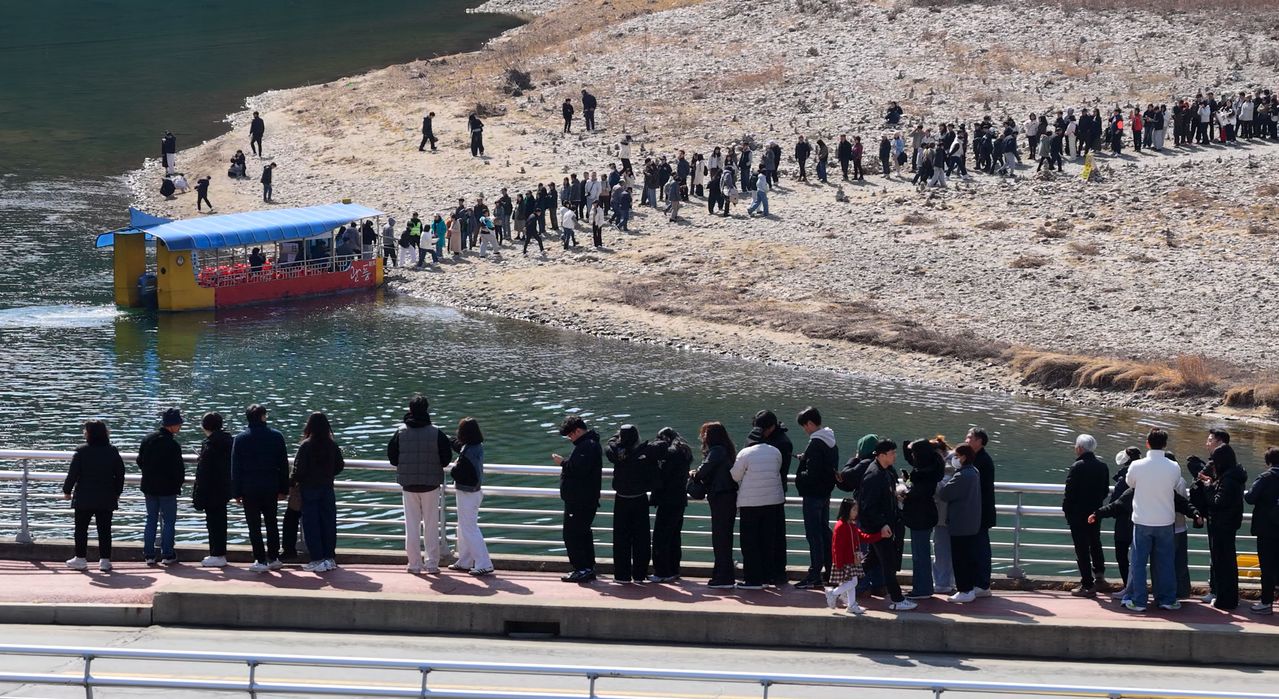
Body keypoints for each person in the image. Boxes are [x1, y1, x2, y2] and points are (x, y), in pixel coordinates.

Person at [387, 394, 452, 574]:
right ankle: (432, 564)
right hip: (431, 485)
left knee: (411, 525)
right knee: (431, 525)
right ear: (426, 410)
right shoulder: (436, 432)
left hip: (408, 485)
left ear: (410, 410)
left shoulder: (400, 432)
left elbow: (392, 458)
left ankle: (414, 564)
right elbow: (446, 459)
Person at [1122, 428, 1182, 612]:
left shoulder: (1137, 465)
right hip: (1165, 521)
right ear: (1165, 444)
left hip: (1142, 520)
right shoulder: (1174, 466)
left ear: (1147, 443)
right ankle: (1167, 599)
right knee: (1165, 562)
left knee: (1139, 562)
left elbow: (1129, 483)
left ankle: (1139, 601)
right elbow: (1174, 484)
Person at [1189, 428, 1246, 610]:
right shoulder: (1234, 474)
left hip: (1222, 524)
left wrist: (1208, 486)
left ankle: (1225, 599)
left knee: (1224, 564)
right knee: (1225, 563)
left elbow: (1217, 501)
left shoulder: (1228, 479)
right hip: (1226, 523)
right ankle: (1223, 596)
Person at [231, 404, 289, 573]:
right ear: (263, 417)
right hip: (271, 486)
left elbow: (235, 468)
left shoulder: (240, 438)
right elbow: (283, 466)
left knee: (254, 525)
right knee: (272, 522)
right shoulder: (276, 436)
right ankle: (274, 557)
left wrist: (236, 492)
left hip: (249, 488)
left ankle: (260, 559)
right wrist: (283, 489)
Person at [857, 439, 915, 610]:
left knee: (871, 561)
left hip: (885, 526)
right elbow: (868, 506)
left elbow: (883, 499)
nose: (895, 456)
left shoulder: (886, 471)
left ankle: (842, 588)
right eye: (892, 453)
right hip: (878, 528)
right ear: (882, 455)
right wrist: (882, 524)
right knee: (888, 563)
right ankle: (897, 600)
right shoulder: (874, 475)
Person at [62, 420, 125, 572]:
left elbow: (73, 474)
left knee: (81, 529)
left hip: (84, 496)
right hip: (106, 496)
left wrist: (67, 490)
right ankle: (104, 560)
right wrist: (117, 492)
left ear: (89, 434)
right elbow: (120, 474)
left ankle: (80, 559)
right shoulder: (112, 451)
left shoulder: (81, 452)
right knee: (104, 529)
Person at [731, 420, 784, 590]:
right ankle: (767, 577)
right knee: (767, 541)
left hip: (751, 504)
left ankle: (753, 580)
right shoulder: (775, 451)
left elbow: (735, 476)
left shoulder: (745, 453)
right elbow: (778, 469)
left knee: (750, 543)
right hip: (772, 502)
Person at [291, 412, 344, 573]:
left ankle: (317, 559)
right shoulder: (331, 444)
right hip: (327, 488)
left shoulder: (306, 445)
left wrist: (292, 482)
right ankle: (329, 558)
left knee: (311, 524)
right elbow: (339, 466)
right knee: (328, 522)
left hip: (309, 489)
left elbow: (298, 470)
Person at [553, 415, 602, 583]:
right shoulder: (589, 444)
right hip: (584, 499)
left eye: (570, 434)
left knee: (572, 534)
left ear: (578, 431)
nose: (570, 438)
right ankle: (587, 567)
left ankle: (581, 568)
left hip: (580, 500)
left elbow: (579, 470)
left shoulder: (586, 446)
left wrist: (562, 463)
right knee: (583, 533)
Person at [606, 425, 657, 583]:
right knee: (641, 539)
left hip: (621, 499)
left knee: (621, 539)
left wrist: (618, 437)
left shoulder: (616, 453)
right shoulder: (645, 452)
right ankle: (640, 574)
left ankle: (622, 575)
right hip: (640, 498)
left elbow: (610, 443)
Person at [793, 407, 837, 590]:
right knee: (824, 533)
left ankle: (814, 575)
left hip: (813, 496)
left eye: (805, 426)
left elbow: (811, 473)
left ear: (810, 423)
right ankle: (829, 572)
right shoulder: (831, 441)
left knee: (813, 535)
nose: (805, 430)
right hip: (826, 494)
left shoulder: (815, 442)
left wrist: (803, 466)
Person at [1062, 434, 1110, 596]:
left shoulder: (1077, 467)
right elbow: (1104, 491)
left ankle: (1087, 585)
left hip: (1077, 514)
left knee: (1081, 549)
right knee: (1095, 543)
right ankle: (1100, 578)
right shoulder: (1102, 466)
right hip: (1095, 513)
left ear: (1080, 448)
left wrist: (1067, 511)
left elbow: (1069, 493)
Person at [137, 408, 185, 565]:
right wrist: (178, 484)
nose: (180, 426)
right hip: (168, 489)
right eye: (179, 424)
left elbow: (140, 461)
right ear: (171, 425)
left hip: (149, 487)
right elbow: (179, 470)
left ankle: (149, 555)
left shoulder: (148, 439)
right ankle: (168, 554)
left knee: (151, 519)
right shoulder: (172, 444)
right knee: (169, 521)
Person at [448, 417, 493, 576]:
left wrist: (453, 466)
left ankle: (484, 563)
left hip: (468, 493)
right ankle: (465, 560)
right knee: (464, 527)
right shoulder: (475, 446)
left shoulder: (468, 451)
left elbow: (458, 472)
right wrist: (448, 440)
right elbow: (460, 447)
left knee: (469, 528)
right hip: (473, 493)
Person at [938, 443, 982, 603]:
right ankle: (967, 588)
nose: (954, 459)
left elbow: (945, 494)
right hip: (970, 523)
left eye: (956, 456)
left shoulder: (962, 475)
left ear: (963, 457)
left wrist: (941, 482)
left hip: (960, 524)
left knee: (960, 558)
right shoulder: (974, 472)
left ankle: (965, 590)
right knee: (967, 557)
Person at [696, 422, 738, 588]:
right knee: (724, 537)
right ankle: (722, 574)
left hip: (721, 498)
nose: (703, 437)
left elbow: (702, 472)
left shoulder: (717, 451)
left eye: (705, 433)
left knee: (720, 538)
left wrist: (693, 473)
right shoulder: (725, 450)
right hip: (726, 497)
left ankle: (724, 577)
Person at [824, 498, 883, 615]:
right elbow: (836, 547)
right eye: (854, 509)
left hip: (852, 561)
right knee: (853, 582)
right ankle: (833, 594)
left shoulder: (851, 525)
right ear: (847, 510)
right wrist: (839, 562)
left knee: (852, 583)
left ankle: (851, 604)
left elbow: (863, 537)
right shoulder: (841, 526)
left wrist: (879, 535)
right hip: (846, 561)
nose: (856, 512)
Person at [648, 427, 692, 583]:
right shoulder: (684, 451)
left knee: (661, 537)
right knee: (674, 537)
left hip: (667, 500)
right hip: (679, 499)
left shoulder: (670, 454)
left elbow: (662, 476)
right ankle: (673, 569)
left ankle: (662, 572)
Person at [902, 437, 943, 599]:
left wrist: (905, 494)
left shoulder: (925, 473)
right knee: (921, 554)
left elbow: (918, 493)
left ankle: (922, 589)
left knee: (920, 555)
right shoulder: (930, 466)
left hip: (920, 517)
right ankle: (922, 587)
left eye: (914, 454)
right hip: (924, 516)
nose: (912, 457)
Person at [193, 412, 233, 568]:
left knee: (213, 523)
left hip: (211, 489)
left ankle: (217, 554)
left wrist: (198, 493)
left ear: (205, 426)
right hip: (224, 488)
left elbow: (204, 471)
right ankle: (219, 553)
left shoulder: (210, 444)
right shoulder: (229, 441)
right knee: (221, 521)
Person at [1244, 447, 1279, 615]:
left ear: (1268, 462)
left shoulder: (1266, 477)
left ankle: (1266, 603)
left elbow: (1250, 497)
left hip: (1267, 529)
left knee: (1267, 567)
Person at [965, 427, 996, 597]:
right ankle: (979, 582)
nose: (966, 439)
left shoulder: (982, 461)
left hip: (981, 513)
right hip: (977, 512)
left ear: (979, 441)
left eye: (970, 437)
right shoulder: (976, 458)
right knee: (977, 547)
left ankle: (983, 584)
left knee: (981, 548)